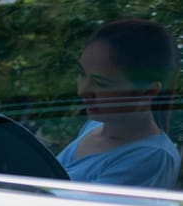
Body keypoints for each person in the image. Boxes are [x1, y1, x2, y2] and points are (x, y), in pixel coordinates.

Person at [56, 19, 181, 189]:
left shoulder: (151, 157)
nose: (83, 91)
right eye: (82, 74)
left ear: (148, 92)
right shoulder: (94, 125)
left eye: (101, 83)